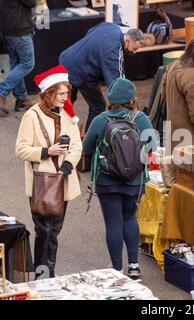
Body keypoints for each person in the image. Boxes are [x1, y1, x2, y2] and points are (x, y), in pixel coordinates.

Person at [82, 78, 156, 279]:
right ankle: (134, 266)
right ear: (133, 98)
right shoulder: (141, 119)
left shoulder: (100, 120)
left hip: (107, 180)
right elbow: (153, 148)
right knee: (130, 218)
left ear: (111, 98)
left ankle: (117, 270)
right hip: (134, 180)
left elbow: (86, 148)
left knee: (113, 223)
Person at [15, 65, 82, 278]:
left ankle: (48, 272)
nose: (66, 97)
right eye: (62, 93)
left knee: (54, 231)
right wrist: (47, 151)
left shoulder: (66, 115)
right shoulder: (31, 116)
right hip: (42, 182)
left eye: (67, 93)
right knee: (43, 231)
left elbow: (77, 145)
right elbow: (21, 150)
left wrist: (67, 166)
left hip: (62, 180)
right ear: (49, 93)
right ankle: (43, 275)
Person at [59, 23, 144, 132]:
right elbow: (117, 83)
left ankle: (60, 134)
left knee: (65, 103)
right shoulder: (113, 52)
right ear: (128, 41)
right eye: (134, 48)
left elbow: (90, 31)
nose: (134, 52)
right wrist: (130, 101)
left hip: (67, 60)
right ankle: (89, 138)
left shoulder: (112, 27)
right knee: (98, 105)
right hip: (81, 72)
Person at [0, 0, 36, 116]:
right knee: (27, 64)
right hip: (19, 28)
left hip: (8, 28)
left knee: (16, 64)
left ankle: (22, 99)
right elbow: (31, 2)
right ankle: (1, 92)